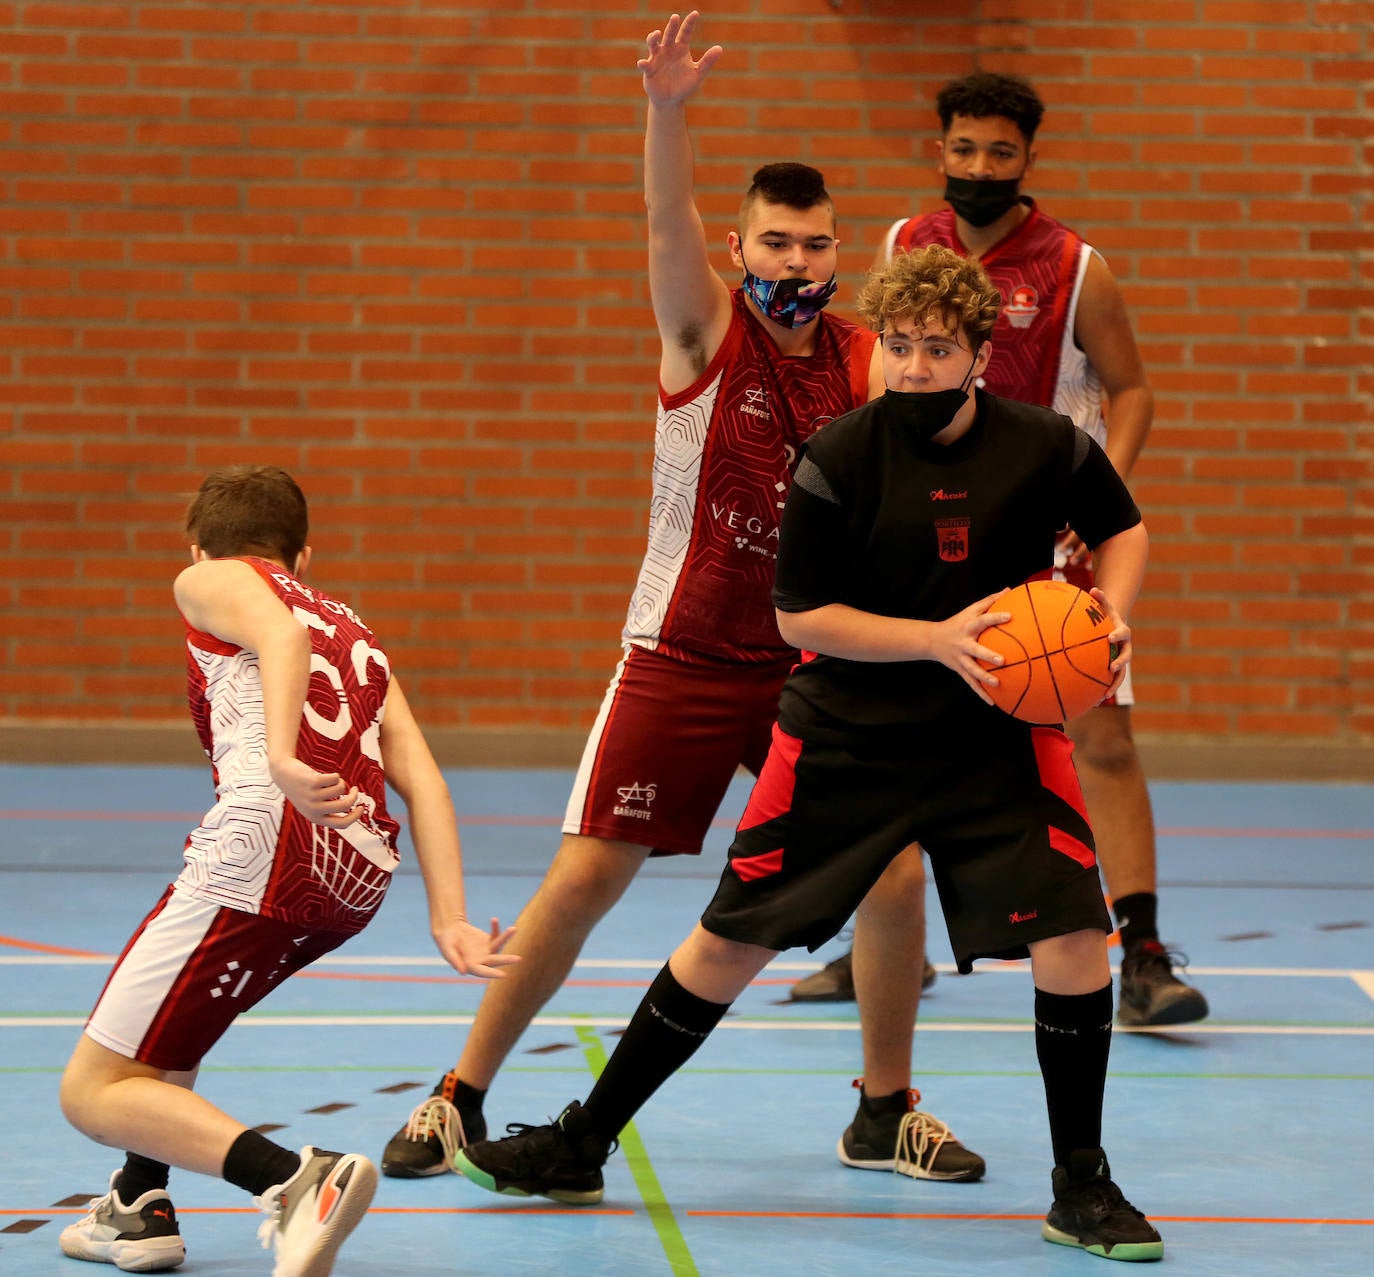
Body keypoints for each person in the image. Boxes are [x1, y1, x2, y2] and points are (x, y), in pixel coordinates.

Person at [453, 244, 1165, 1264]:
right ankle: (581, 1139)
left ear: (980, 354)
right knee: (729, 942)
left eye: (938, 349)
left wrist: (1108, 614)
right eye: (903, 347)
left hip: (995, 739)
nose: (915, 367)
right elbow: (802, 616)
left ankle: (1082, 1182)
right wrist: (936, 639)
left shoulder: (1044, 443)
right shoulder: (839, 454)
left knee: (1069, 938)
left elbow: (1123, 528)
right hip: (849, 732)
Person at [380, 9, 984, 1189]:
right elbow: (667, 221)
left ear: (836, 251)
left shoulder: (870, 359)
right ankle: (461, 1091)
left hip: (815, 664)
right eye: (775, 242)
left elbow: (947, 448)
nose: (796, 264)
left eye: (815, 245)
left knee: (896, 869)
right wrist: (665, 114)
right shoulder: (703, 328)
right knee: (587, 876)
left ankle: (884, 1104)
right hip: (684, 651)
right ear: (744, 246)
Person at [791, 70, 1207, 1029]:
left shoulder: (1076, 264)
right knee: (896, 722)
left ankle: (1137, 947)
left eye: (1000, 151)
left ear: (1028, 159)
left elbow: (1131, 386)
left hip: (1038, 531)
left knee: (1098, 733)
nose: (978, 165)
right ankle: (884, 945)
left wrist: (1099, 485)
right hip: (928, 529)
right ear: (940, 149)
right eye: (963, 147)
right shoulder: (904, 245)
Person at [57, 464, 517, 1276]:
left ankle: (298, 1180)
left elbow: (281, 635)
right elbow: (427, 779)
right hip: (356, 877)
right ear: (304, 557)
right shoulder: (357, 629)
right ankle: (139, 1202)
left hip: (267, 843)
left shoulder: (209, 578)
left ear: (198, 547)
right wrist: (449, 915)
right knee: (171, 1030)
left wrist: (278, 758)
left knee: (91, 1090)